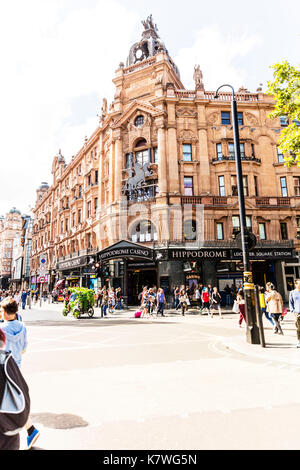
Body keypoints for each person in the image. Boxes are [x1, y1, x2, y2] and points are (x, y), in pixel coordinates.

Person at [0, 297, 40, 449]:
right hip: (15, 365)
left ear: (4, 312)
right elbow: (23, 348)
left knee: (9, 403)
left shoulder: (2, 329)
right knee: (13, 399)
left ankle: (30, 429)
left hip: (4, 366)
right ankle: (29, 429)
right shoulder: (22, 326)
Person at [289, 279, 300, 348]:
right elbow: (291, 302)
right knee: (298, 328)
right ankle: (299, 341)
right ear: (296, 284)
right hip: (297, 313)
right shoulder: (292, 292)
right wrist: (293, 311)